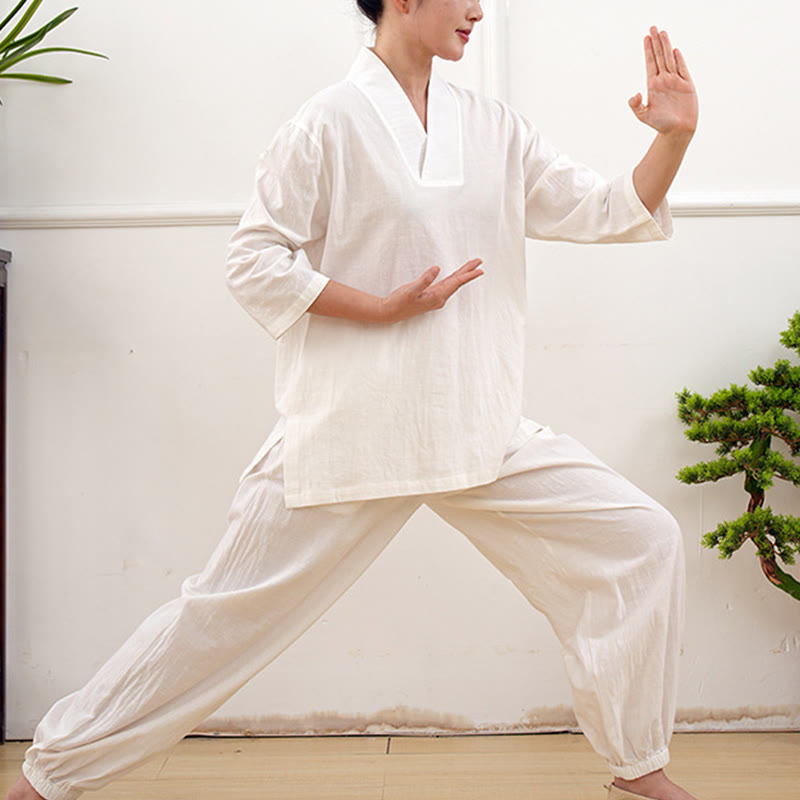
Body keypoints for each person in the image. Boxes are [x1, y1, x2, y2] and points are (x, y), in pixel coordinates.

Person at [9, 1, 700, 799]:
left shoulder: (492, 126)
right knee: (217, 623)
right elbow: (254, 262)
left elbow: (606, 210)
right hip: (353, 429)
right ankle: (50, 776)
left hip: (474, 422)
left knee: (641, 540)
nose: (479, 9)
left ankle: (637, 767)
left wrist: (671, 138)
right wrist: (378, 307)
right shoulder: (327, 123)